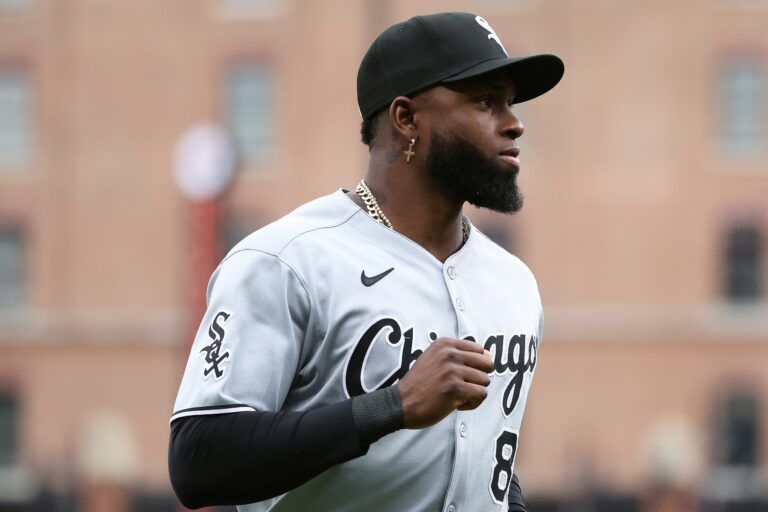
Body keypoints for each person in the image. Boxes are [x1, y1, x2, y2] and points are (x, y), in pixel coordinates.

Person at [168, 11, 563, 512]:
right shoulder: (288, 259)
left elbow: (488, 470)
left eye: (510, 103)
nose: (514, 123)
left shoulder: (514, 283)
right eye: (486, 101)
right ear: (405, 118)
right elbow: (197, 459)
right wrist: (391, 406)